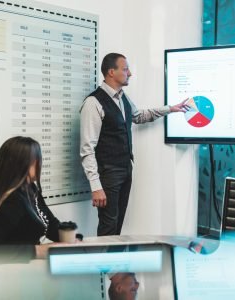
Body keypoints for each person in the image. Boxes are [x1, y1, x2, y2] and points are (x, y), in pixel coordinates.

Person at [80, 53, 188, 236]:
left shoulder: (123, 98)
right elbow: (87, 149)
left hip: (125, 169)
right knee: (108, 225)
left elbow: (138, 116)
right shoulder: (93, 103)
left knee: (118, 222)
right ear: (111, 72)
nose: (130, 73)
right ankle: (103, 264)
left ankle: (114, 262)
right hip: (108, 173)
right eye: (125, 69)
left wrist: (170, 109)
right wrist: (96, 186)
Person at [0, 136, 64, 261]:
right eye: (36, 159)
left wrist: (71, 237)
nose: (40, 163)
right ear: (21, 163)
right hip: (13, 274)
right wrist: (37, 251)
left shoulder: (31, 189)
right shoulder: (10, 201)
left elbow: (49, 223)